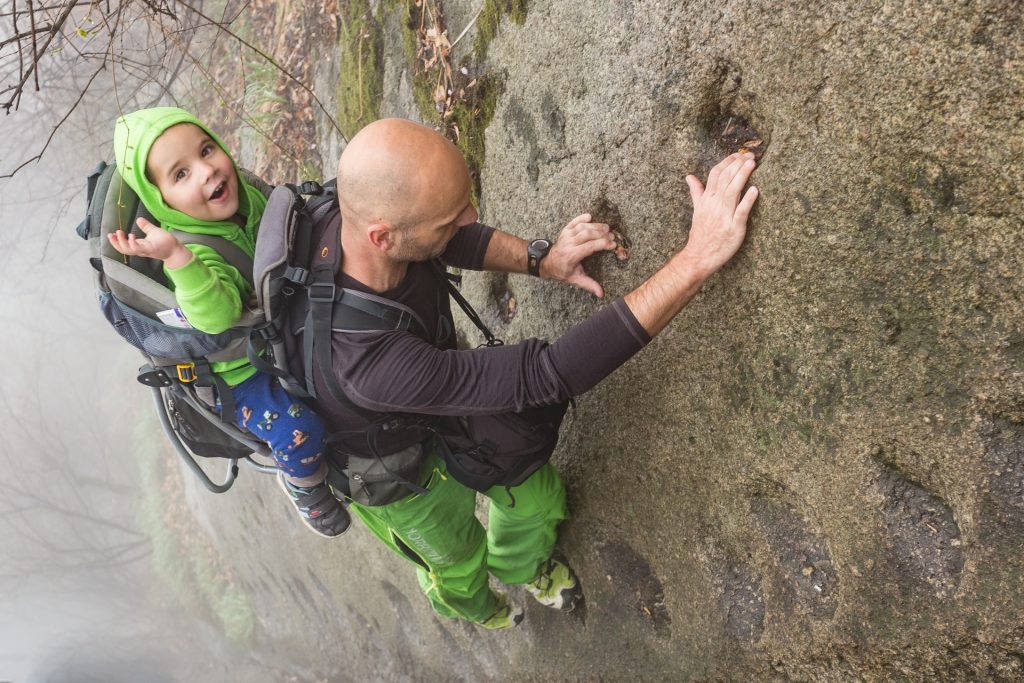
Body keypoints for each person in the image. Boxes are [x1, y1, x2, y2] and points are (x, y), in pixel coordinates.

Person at [296, 118, 760, 629]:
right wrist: (696, 258)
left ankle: (524, 566)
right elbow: (547, 374)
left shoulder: (366, 219)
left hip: (431, 385)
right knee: (457, 560)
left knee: (537, 500)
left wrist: (543, 261)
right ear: (382, 236)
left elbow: (449, 239)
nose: (471, 218)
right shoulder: (364, 360)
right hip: (394, 475)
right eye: (452, 219)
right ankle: (481, 608)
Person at [108, 107, 350, 538]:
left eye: (206, 150)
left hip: (281, 320)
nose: (206, 171)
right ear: (161, 199)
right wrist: (176, 259)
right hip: (242, 374)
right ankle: (304, 486)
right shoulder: (191, 250)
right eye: (180, 175)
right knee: (300, 430)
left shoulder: (246, 196)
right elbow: (216, 317)